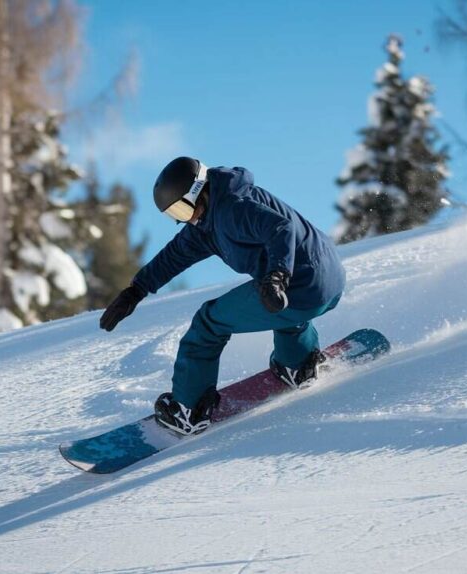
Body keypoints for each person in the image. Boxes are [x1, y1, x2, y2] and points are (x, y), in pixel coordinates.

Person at [98, 157, 346, 436]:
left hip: (299, 282)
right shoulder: (207, 220)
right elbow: (174, 255)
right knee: (275, 306)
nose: (184, 218)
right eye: (174, 215)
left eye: (182, 207)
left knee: (208, 323)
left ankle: (187, 410)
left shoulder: (231, 209)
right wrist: (136, 290)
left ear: (197, 191)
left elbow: (281, 229)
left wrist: (277, 276)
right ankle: (297, 364)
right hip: (327, 280)